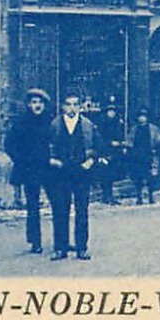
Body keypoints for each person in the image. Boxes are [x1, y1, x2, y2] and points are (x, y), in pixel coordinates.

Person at [47, 93, 98, 260]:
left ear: (80, 106)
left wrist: (90, 160)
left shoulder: (87, 125)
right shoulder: (55, 124)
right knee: (60, 210)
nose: (72, 108)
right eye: (68, 104)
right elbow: (47, 146)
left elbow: (99, 146)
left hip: (81, 173)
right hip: (61, 173)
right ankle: (60, 248)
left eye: (75, 104)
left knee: (81, 211)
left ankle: (81, 248)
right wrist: (53, 160)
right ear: (63, 106)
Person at [2, 88, 54, 253]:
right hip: (29, 169)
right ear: (28, 105)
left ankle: (61, 241)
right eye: (33, 102)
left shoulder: (50, 121)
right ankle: (35, 241)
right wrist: (22, 160)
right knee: (33, 206)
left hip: (48, 168)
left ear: (45, 105)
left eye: (40, 102)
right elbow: (9, 145)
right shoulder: (21, 123)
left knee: (58, 203)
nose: (37, 105)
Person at [126, 107, 160, 205]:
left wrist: (155, 149)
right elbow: (130, 141)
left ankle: (151, 197)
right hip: (137, 156)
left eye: (144, 117)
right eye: (140, 117)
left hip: (148, 155)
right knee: (138, 177)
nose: (142, 118)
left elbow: (159, 140)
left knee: (150, 176)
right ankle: (139, 197)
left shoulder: (153, 128)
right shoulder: (134, 129)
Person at [98, 104, 125, 205]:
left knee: (112, 174)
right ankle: (106, 196)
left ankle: (110, 196)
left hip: (115, 152)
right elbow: (100, 138)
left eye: (113, 111)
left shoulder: (117, 122)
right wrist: (110, 143)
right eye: (110, 111)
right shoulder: (102, 123)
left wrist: (120, 144)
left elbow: (120, 135)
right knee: (105, 174)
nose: (112, 113)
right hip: (105, 151)